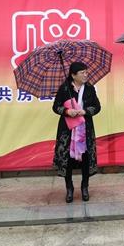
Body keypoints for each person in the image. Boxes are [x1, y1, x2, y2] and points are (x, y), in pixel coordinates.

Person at [52, 62, 101, 203]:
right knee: (68, 159)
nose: (86, 75)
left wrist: (85, 111)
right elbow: (55, 107)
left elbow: (97, 107)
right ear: (73, 75)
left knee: (85, 158)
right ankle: (69, 188)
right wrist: (67, 111)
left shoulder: (90, 88)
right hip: (67, 130)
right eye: (82, 73)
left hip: (85, 129)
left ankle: (85, 187)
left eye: (86, 72)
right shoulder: (64, 88)